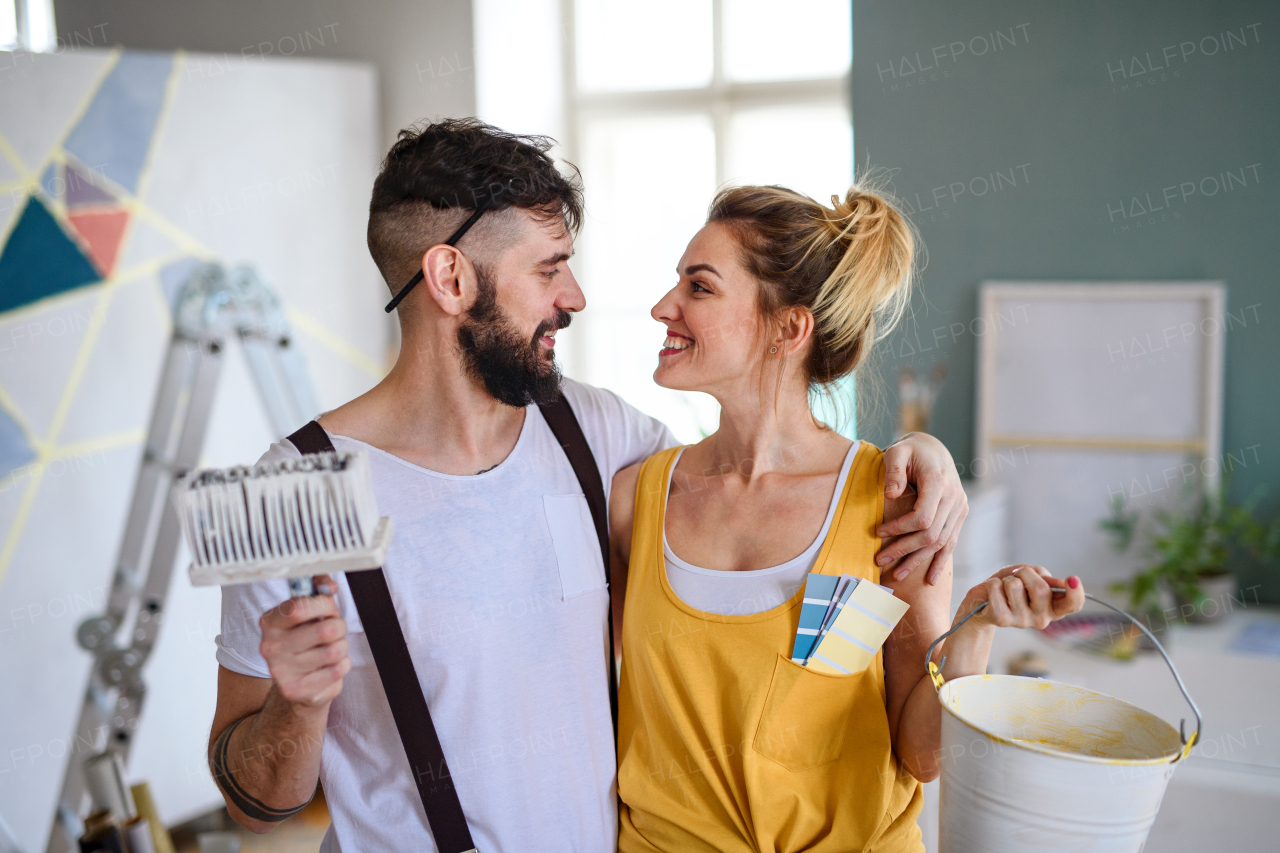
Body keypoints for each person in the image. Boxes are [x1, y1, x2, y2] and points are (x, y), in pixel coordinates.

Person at [208, 120, 969, 852]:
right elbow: (255, 806)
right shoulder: (293, 486)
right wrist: (297, 706)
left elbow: (764, 475)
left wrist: (919, 453)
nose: (573, 296)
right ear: (449, 277)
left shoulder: (596, 437)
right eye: (548, 270)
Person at [608, 183, 1087, 852]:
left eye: (700, 287)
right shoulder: (637, 499)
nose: (665, 307)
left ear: (789, 327)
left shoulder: (887, 501)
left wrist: (975, 624)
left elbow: (922, 754)